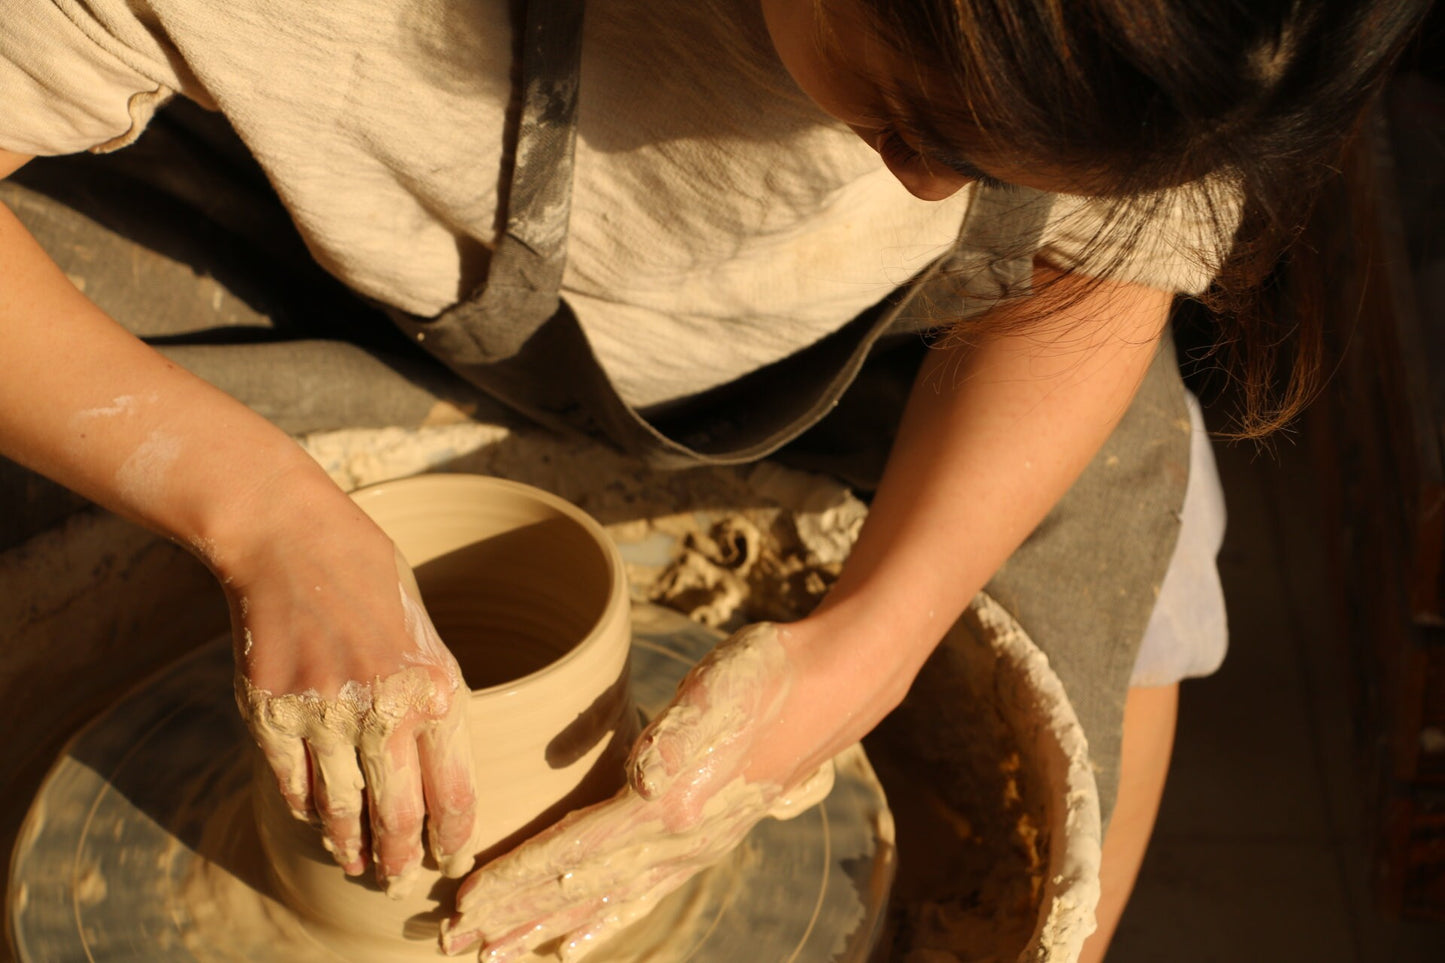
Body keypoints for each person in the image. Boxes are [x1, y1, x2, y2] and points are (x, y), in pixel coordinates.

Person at [0, 0, 1427, 959]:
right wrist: (256, 509)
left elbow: (1094, 279)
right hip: (306, 273)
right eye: (921, 127)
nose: (936, 189)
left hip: (879, 352)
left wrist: (861, 659)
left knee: (1140, 546)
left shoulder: (1216, 35)